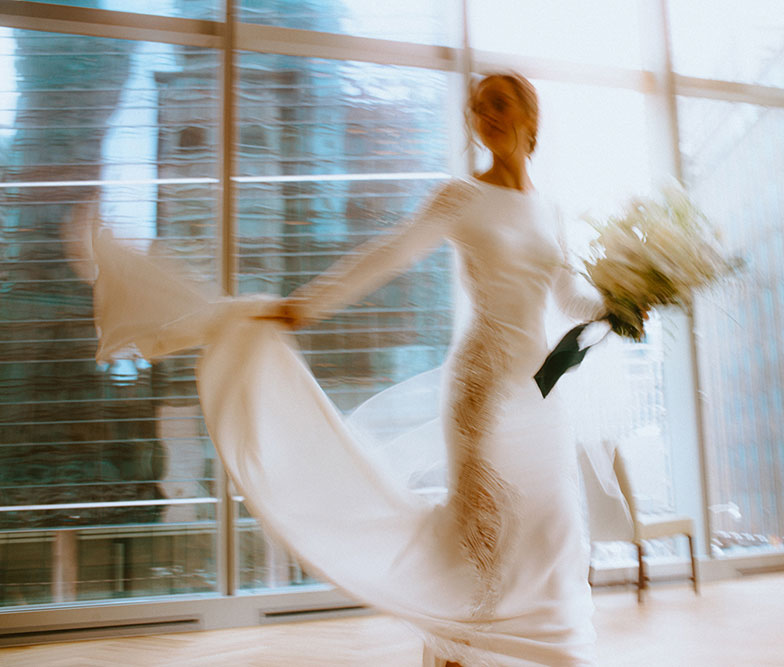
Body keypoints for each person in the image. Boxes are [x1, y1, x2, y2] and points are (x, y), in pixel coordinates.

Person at [89, 71, 606, 666]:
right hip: (483, 390)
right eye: (476, 107)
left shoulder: (550, 210)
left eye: (498, 103)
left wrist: (626, 298)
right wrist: (304, 306)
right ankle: (462, 653)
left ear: (529, 115)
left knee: (553, 523)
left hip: (539, 395)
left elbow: (569, 299)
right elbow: (386, 255)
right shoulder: (460, 197)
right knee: (484, 533)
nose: (484, 114)